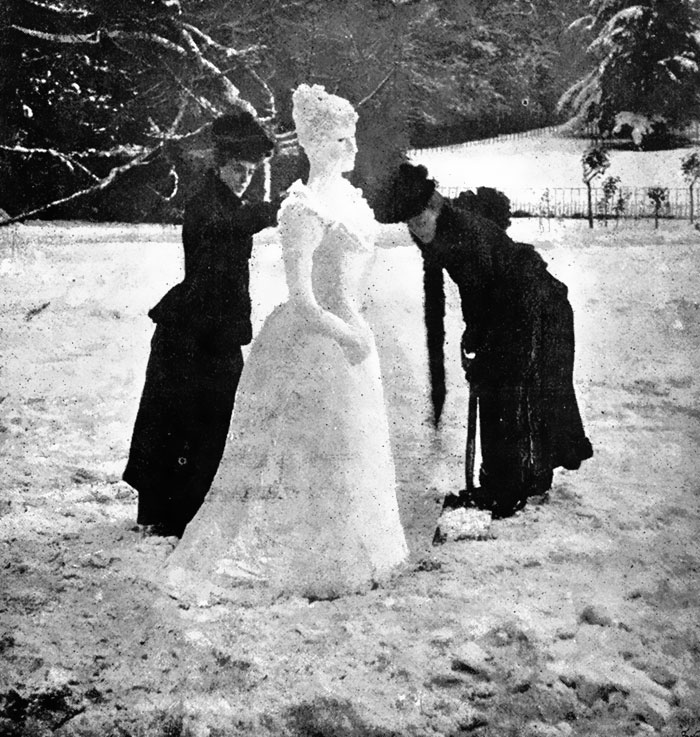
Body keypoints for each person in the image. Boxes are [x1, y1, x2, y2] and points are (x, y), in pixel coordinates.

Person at [166, 84, 408, 602]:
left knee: (348, 449)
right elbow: (303, 297)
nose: (352, 150)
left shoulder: (349, 200)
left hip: (348, 339)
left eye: (352, 139)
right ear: (317, 145)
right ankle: (301, 563)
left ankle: (354, 556)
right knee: (292, 451)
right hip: (310, 338)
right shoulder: (300, 207)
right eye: (341, 140)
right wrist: (347, 334)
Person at [392, 162, 593, 520]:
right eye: (411, 225)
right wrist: (476, 336)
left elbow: (492, 296)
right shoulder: (448, 231)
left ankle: (503, 490)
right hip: (530, 306)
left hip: (533, 309)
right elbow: (475, 296)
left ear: (435, 210)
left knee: (506, 393)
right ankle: (526, 479)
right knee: (518, 391)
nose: (417, 231)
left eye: (420, 221)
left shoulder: (462, 235)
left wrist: (482, 343)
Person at [122, 109, 279, 537]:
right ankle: (176, 512)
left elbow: (239, 220)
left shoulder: (228, 201)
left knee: (209, 417)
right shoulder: (207, 204)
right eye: (236, 169)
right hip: (192, 331)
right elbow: (228, 226)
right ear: (220, 165)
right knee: (188, 418)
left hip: (212, 329)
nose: (243, 177)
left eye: (249, 171)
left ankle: (189, 507)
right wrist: (276, 210)